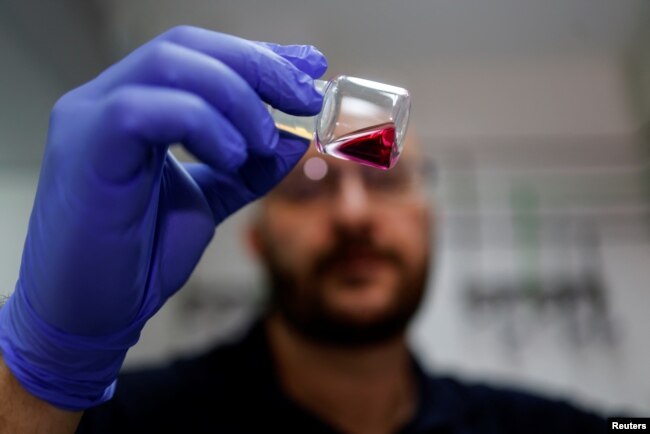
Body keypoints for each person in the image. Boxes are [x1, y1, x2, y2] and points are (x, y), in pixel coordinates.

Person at [0, 26, 606, 433]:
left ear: (431, 217)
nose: (352, 214)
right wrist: (41, 376)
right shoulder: (121, 418)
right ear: (257, 237)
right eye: (308, 188)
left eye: (387, 181)